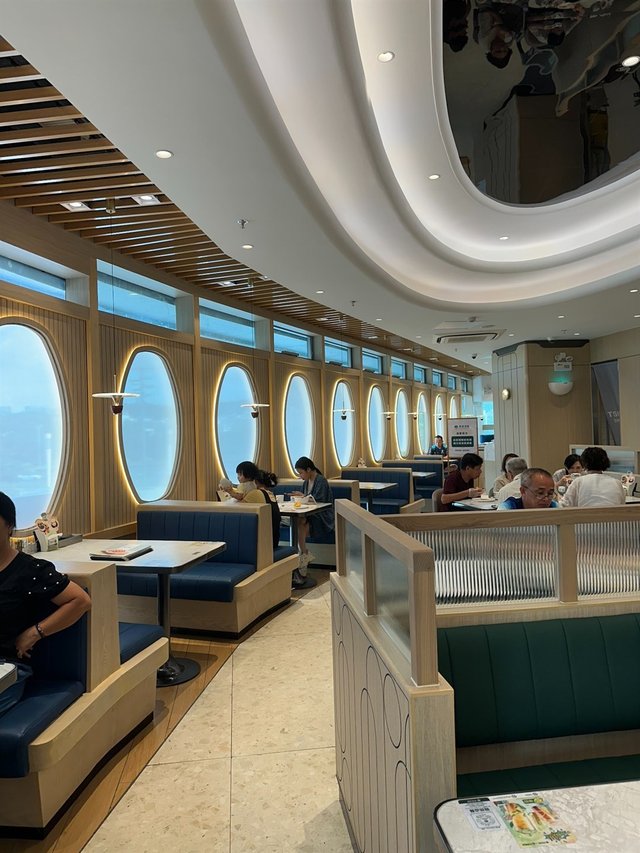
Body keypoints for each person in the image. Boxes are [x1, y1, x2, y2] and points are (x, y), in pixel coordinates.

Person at [0, 492, 91, 715]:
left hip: (8, 667)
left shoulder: (30, 570)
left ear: (9, 526)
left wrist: (35, 632)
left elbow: (80, 601)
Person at [290, 456, 334, 588]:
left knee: (301, 522)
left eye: (301, 473)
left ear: (309, 470)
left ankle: (303, 555)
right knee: (300, 521)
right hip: (311, 514)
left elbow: (319, 501)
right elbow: (308, 500)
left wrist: (302, 496)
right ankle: (303, 555)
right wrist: (302, 497)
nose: (300, 476)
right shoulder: (306, 482)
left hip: (322, 515)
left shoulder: (321, 481)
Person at [560, 446, 625, 507]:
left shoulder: (578, 482)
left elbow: (564, 505)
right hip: (612, 515)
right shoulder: (617, 483)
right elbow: (622, 506)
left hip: (586, 515)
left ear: (584, 463)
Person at [243, 470, 282, 553]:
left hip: (264, 544)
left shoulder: (255, 493)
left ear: (255, 482)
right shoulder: (270, 493)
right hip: (274, 540)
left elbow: (237, 507)